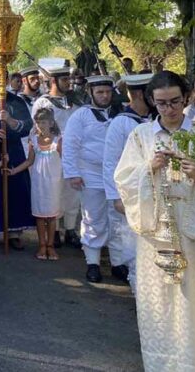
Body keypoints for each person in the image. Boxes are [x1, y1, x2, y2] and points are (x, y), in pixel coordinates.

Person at [117, 71, 195, 372]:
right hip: (157, 236)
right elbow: (125, 181)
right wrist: (149, 169)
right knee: (163, 308)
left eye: (175, 102)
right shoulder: (140, 137)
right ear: (151, 102)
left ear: (187, 98)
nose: (169, 110)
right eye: (161, 104)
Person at [63, 74, 120, 283]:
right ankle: (93, 264)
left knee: (117, 218)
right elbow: (70, 145)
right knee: (93, 217)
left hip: (117, 175)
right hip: (90, 174)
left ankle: (118, 263)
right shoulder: (80, 116)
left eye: (107, 92)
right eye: (100, 92)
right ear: (91, 93)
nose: (104, 96)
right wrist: (72, 173)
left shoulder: (120, 114)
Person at [101, 72, 154, 290]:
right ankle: (137, 289)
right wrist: (114, 196)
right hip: (129, 193)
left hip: (153, 193)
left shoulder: (155, 119)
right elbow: (110, 162)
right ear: (141, 94)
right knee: (129, 244)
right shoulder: (121, 123)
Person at [0, 68, 33, 250]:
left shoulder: (16, 101)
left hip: (13, 151)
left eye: (0, 80)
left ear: (7, 80)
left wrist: (11, 121)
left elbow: (28, 126)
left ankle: (14, 232)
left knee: (15, 190)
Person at [32, 65, 82, 248]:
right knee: (54, 192)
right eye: (64, 80)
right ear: (53, 81)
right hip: (52, 154)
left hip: (73, 153)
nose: (68, 83)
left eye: (68, 79)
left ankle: (70, 229)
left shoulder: (75, 101)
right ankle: (54, 232)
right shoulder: (43, 103)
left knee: (72, 192)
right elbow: (37, 128)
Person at [26, 107, 62, 261]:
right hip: (38, 182)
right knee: (40, 216)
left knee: (52, 216)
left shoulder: (58, 140)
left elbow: (65, 160)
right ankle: (41, 245)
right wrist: (13, 171)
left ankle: (50, 245)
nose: (41, 125)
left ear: (51, 123)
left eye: (44, 122)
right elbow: (30, 161)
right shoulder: (33, 140)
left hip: (53, 182)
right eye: (38, 122)